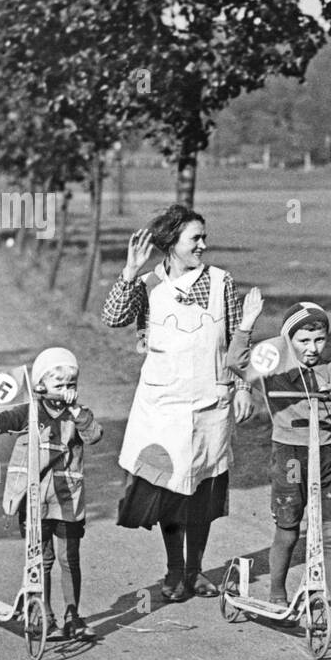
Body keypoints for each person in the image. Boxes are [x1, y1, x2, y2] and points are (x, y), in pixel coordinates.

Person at [102, 204, 253, 602]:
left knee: (201, 490)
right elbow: (113, 318)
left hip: (209, 403)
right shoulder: (149, 283)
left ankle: (196, 571)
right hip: (162, 405)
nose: (203, 245)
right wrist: (130, 271)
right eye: (195, 239)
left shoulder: (221, 282)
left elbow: (238, 338)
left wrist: (243, 387)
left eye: (204, 237)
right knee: (170, 489)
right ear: (170, 243)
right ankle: (173, 572)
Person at [228, 292, 331, 635]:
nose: (312, 347)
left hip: (326, 456)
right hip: (290, 454)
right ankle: (276, 594)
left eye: (319, 339)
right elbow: (236, 361)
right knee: (288, 527)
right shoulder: (274, 363)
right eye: (303, 340)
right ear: (288, 340)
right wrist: (247, 324)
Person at [0, 347, 102, 640]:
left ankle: (73, 615)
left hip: (68, 499)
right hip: (33, 500)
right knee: (41, 559)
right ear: (40, 385)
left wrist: (75, 410)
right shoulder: (30, 411)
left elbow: (93, 434)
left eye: (70, 385)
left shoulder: (78, 414)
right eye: (58, 385)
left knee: (69, 558)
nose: (65, 390)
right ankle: (44, 613)